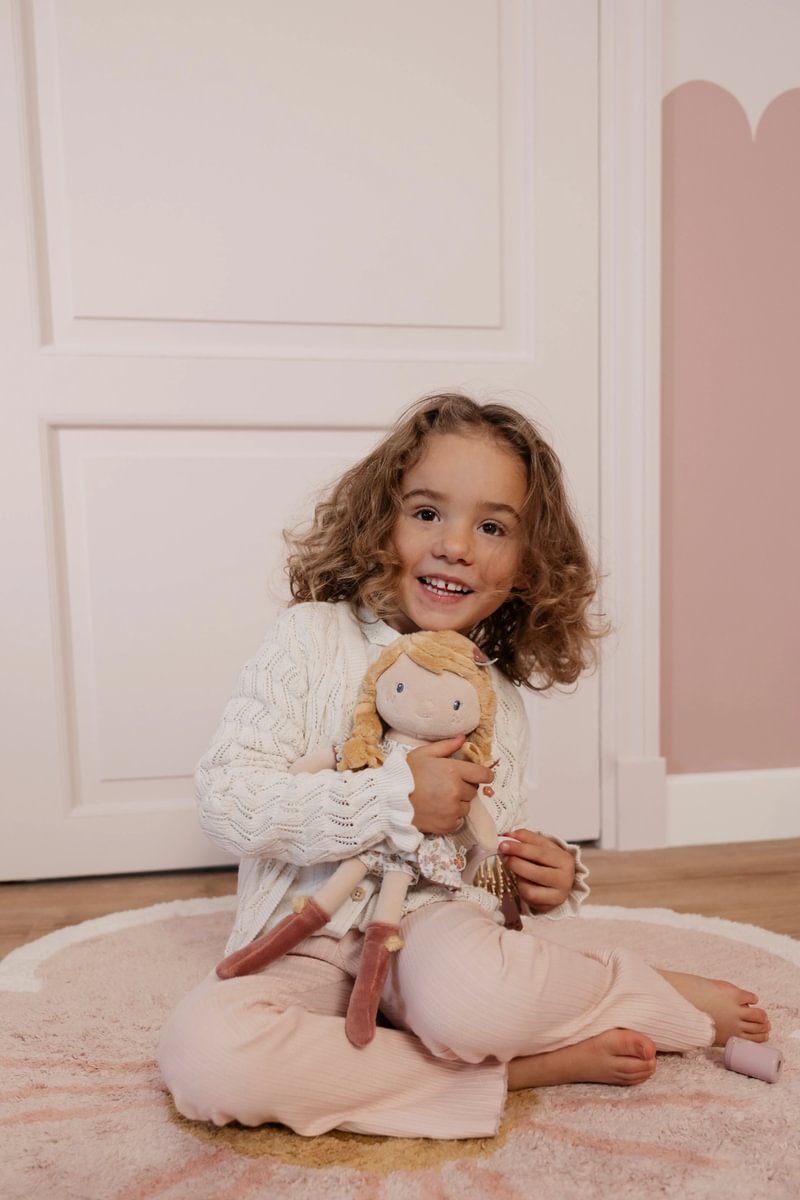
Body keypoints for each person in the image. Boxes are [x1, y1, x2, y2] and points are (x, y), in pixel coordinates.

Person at [158, 393, 770, 1139]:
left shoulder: (494, 696)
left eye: (492, 527)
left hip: (429, 933)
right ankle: (515, 1071)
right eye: (426, 513)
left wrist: (535, 878)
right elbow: (226, 798)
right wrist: (391, 800)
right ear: (379, 523)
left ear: (527, 563)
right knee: (206, 1055)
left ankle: (622, 986)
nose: (455, 546)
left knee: (478, 1000)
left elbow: (481, 862)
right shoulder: (310, 638)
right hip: (302, 935)